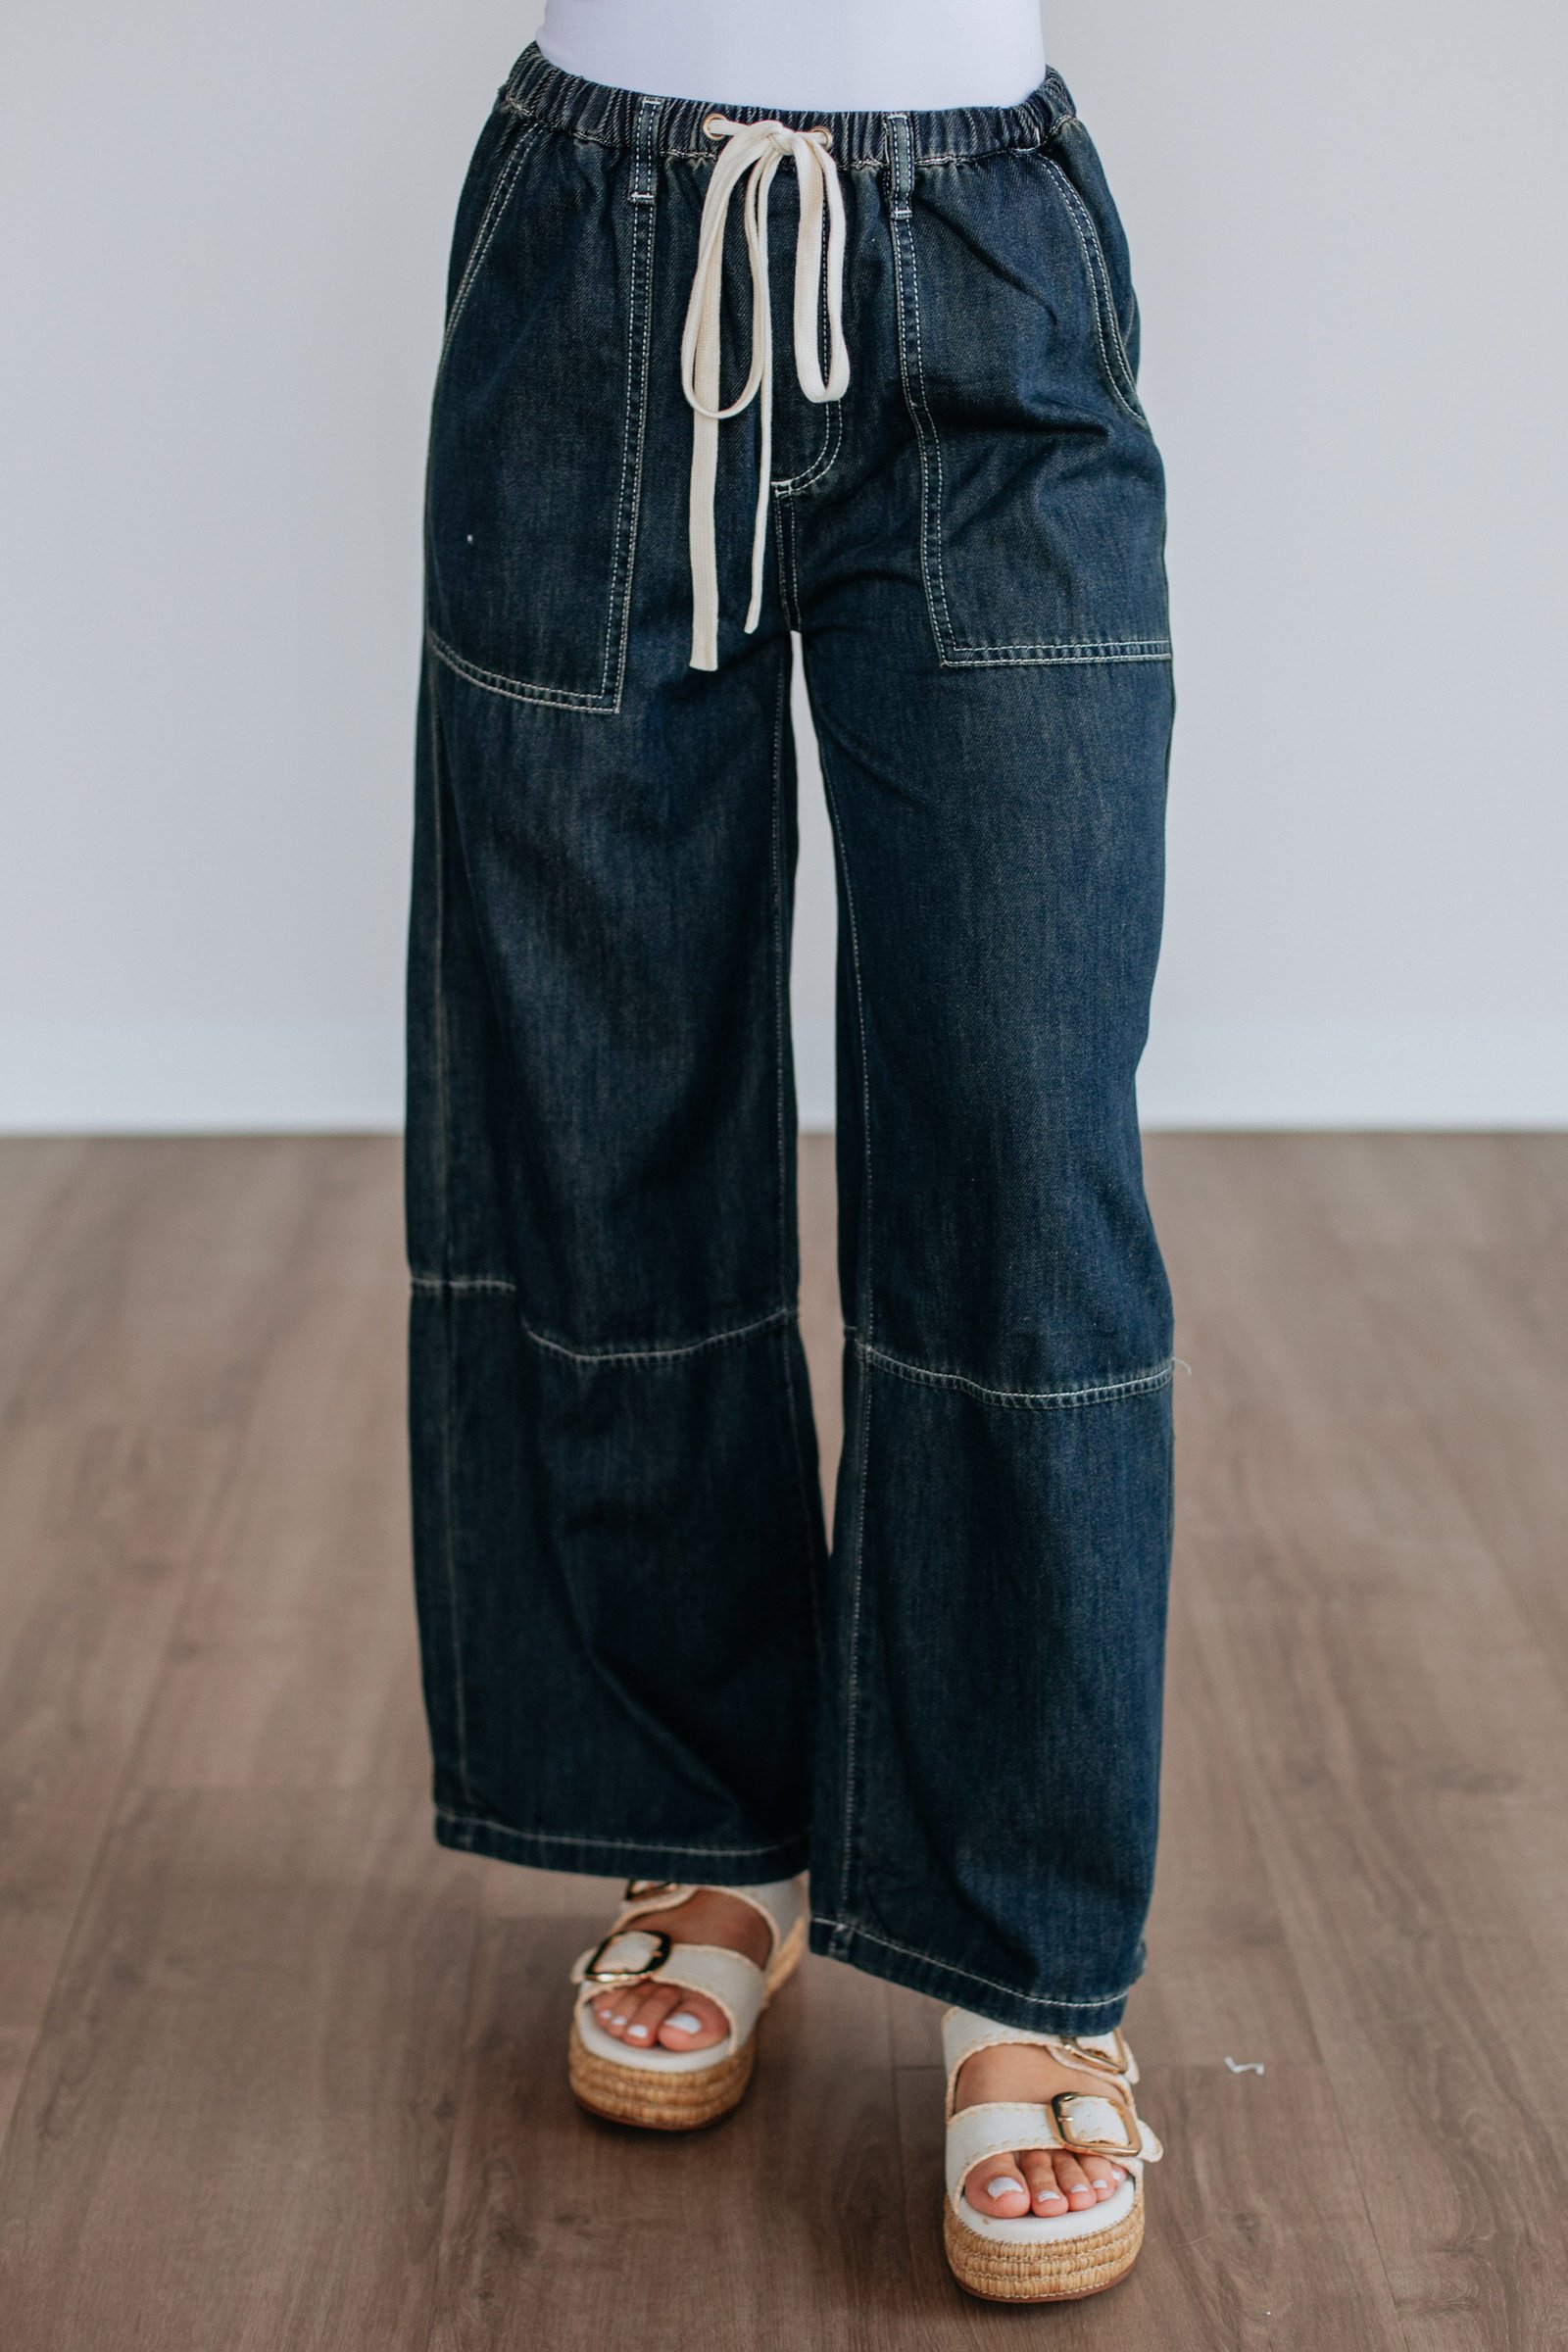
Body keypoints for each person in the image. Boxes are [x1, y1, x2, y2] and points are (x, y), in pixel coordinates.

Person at [405, 0, 1172, 2304]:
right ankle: (701, 1827)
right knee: (600, 1097)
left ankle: (1016, 1952)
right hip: (594, 245)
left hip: (984, 248)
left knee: (1021, 1138)